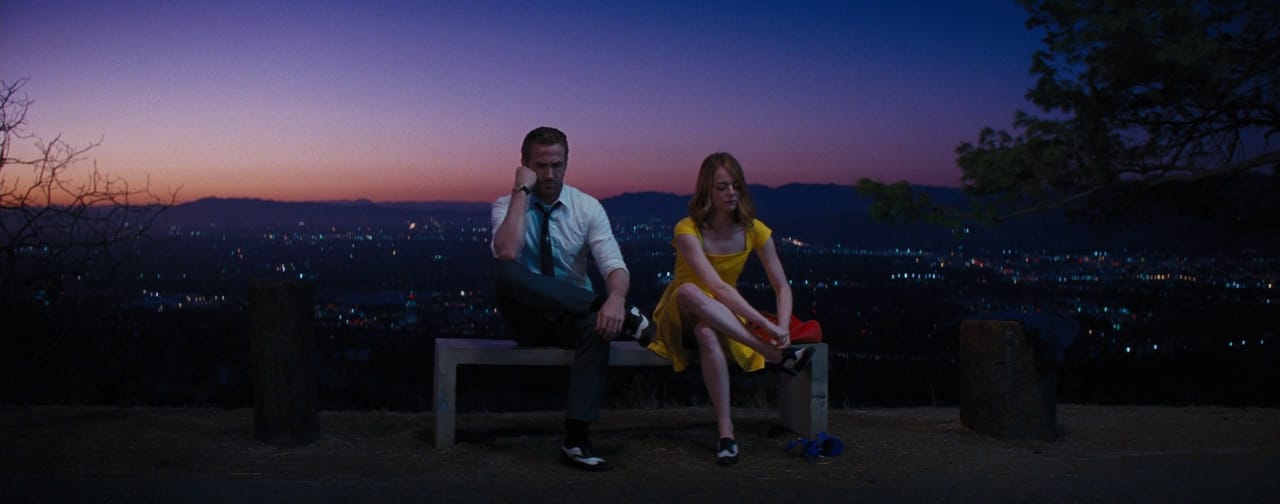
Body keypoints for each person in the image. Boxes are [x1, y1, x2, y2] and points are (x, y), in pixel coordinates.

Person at [490, 126, 650, 472]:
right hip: (526, 319)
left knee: (599, 323)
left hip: (570, 319)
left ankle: (576, 440)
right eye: (541, 166)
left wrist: (617, 299)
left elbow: (614, 266)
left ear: (567, 163)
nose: (550, 174)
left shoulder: (587, 208)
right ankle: (602, 307)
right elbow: (506, 251)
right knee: (505, 274)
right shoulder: (507, 205)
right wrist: (521, 189)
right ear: (526, 165)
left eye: (557, 165)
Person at [642, 152, 813, 466]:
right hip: (680, 314)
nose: (731, 193)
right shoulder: (687, 228)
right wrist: (767, 329)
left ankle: (726, 434)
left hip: (721, 318)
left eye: (735, 185)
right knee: (691, 290)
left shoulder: (755, 230)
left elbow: (782, 286)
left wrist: (784, 327)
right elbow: (716, 287)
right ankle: (777, 357)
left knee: (707, 332)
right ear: (707, 191)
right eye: (722, 187)